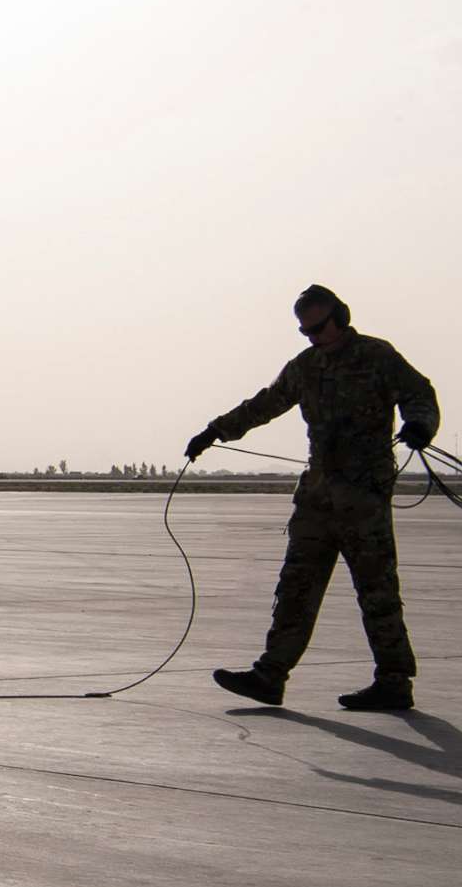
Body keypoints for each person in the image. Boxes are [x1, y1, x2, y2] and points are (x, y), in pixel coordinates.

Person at [185, 285, 438, 711]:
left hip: (363, 496)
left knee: (377, 592)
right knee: (296, 588)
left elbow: (420, 393)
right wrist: (215, 431)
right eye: (305, 331)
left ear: (341, 317)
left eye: (318, 328)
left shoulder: (377, 357)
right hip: (318, 497)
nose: (312, 337)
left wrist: (419, 426)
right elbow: (266, 403)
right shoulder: (306, 366)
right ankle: (270, 676)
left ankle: (394, 681)